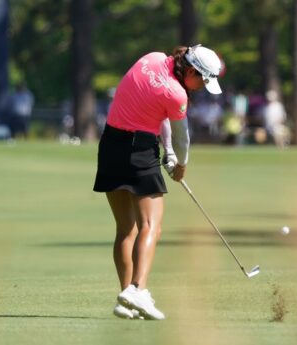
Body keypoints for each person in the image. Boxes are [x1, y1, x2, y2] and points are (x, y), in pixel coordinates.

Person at [93, 44, 223, 321]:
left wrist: (168, 152)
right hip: (139, 150)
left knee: (125, 230)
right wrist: (182, 165)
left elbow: (156, 111)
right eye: (203, 80)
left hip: (110, 145)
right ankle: (138, 289)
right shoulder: (177, 95)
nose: (201, 87)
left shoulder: (150, 59)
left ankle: (126, 298)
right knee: (151, 225)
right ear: (190, 71)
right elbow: (182, 135)